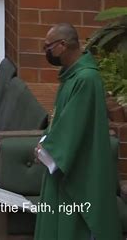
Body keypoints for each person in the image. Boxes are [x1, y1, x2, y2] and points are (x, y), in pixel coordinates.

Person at [34, 23, 121, 239]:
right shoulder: (72, 76)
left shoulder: (85, 79)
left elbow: (74, 127)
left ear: (62, 45)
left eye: (48, 47)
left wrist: (47, 150)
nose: (46, 52)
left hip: (80, 169)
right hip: (66, 163)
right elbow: (61, 122)